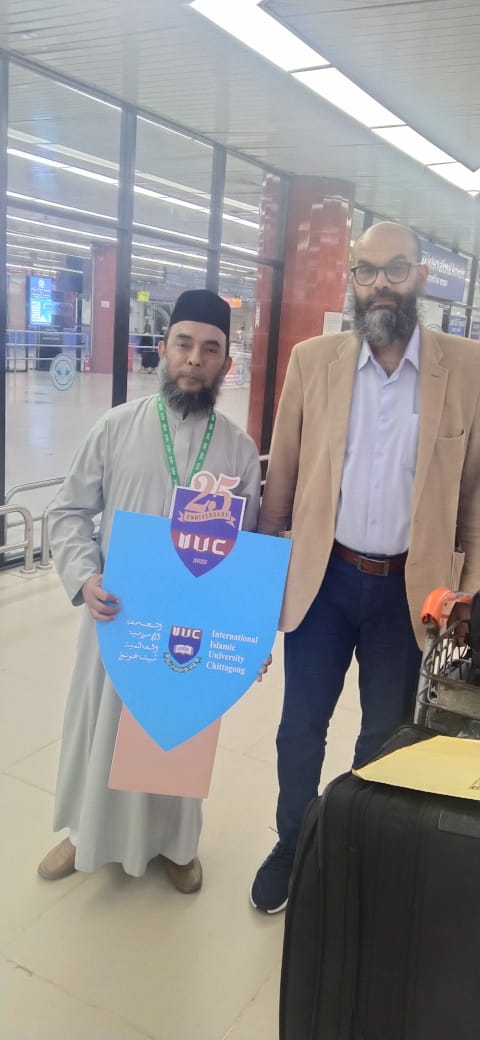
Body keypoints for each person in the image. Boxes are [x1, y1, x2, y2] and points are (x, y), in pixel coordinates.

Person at [250, 221, 480, 914]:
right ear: (352, 279)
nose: (381, 283)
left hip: (411, 591)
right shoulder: (312, 361)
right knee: (300, 728)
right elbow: (280, 488)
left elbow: (474, 496)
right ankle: (293, 843)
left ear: (423, 277)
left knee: (384, 735)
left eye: (396, 268)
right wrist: (257, 601)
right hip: (322, 582)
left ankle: (356, 848)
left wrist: (468, 597)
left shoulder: (467, 368)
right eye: (366, 270)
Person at [38, 290, 261, 892]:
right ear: (163, 350)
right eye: (184, 344)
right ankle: (86, 833)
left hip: (189, 625)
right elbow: (69, 511)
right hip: (119, 615)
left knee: (178, 733)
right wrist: (85, 577)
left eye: (210, 350)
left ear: (226, 364)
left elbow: (246, 551)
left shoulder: (239, 451)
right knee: (102, 727)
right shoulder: (116, 427)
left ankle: (176, 845)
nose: (194, 359)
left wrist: (248, 629)